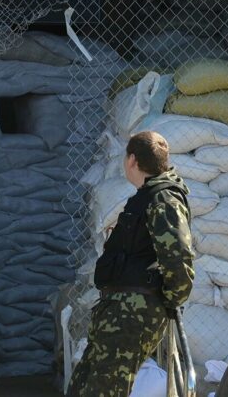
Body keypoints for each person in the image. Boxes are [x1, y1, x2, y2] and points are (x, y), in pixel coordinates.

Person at [69, 130, 196, 396]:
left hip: (133, 314)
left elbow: (179, 258)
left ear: (132, 160)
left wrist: (168, 300)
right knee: (84, 386)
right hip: (121, 311)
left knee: (104, 390)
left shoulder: (163, 199)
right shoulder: (148, 197)